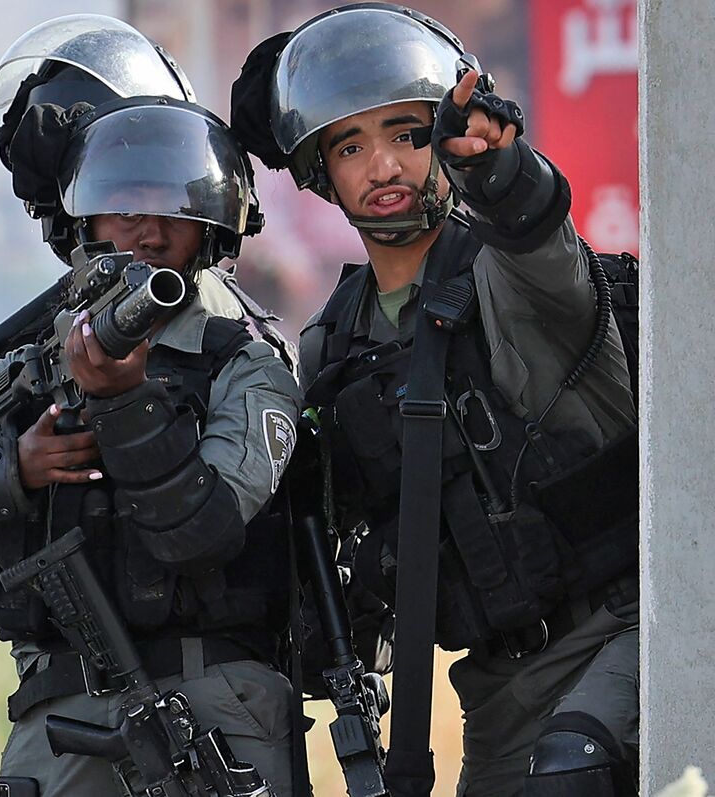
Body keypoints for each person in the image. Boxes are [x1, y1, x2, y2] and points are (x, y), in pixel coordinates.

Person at [231, 4, 638, 796]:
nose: (382, 166)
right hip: (500, 683)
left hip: (628, 628)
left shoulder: (507, 270)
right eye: (351, 146)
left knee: (571, 769)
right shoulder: (333, 346)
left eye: (407, 135)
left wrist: (498, 170)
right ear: (320, 172)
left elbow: (536, 232)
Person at [0, 97, 303, 796]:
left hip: (213, 706)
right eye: (124, 207)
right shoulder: (32, 364)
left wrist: (122, 402)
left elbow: (201, 532)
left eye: (171, 208)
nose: (146, 231)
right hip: (59, 717)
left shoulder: (246, 366)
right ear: (84, 223)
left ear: (208, 225)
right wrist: (11, 468)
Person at [0, 12, 297, 371]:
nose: (152, 235)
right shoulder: (59, 331)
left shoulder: (238, 349)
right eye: (125, 210)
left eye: (174, 210)